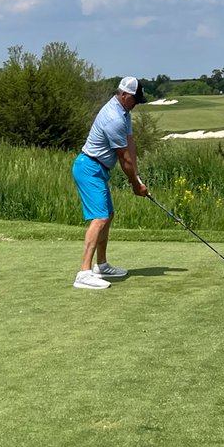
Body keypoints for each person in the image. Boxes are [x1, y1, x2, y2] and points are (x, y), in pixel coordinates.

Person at [71, 76, 150, 289]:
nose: (135, 104)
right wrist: (135, 184)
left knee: (108, 215)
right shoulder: (113, 117)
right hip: (89, 168)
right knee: (100, 218)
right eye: (134, 99)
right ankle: (83, 273)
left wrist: (137, 174)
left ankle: (102, 265)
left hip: (98, 169)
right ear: (124, 95)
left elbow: (130, 143)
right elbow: (123, 157)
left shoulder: (124, 113)